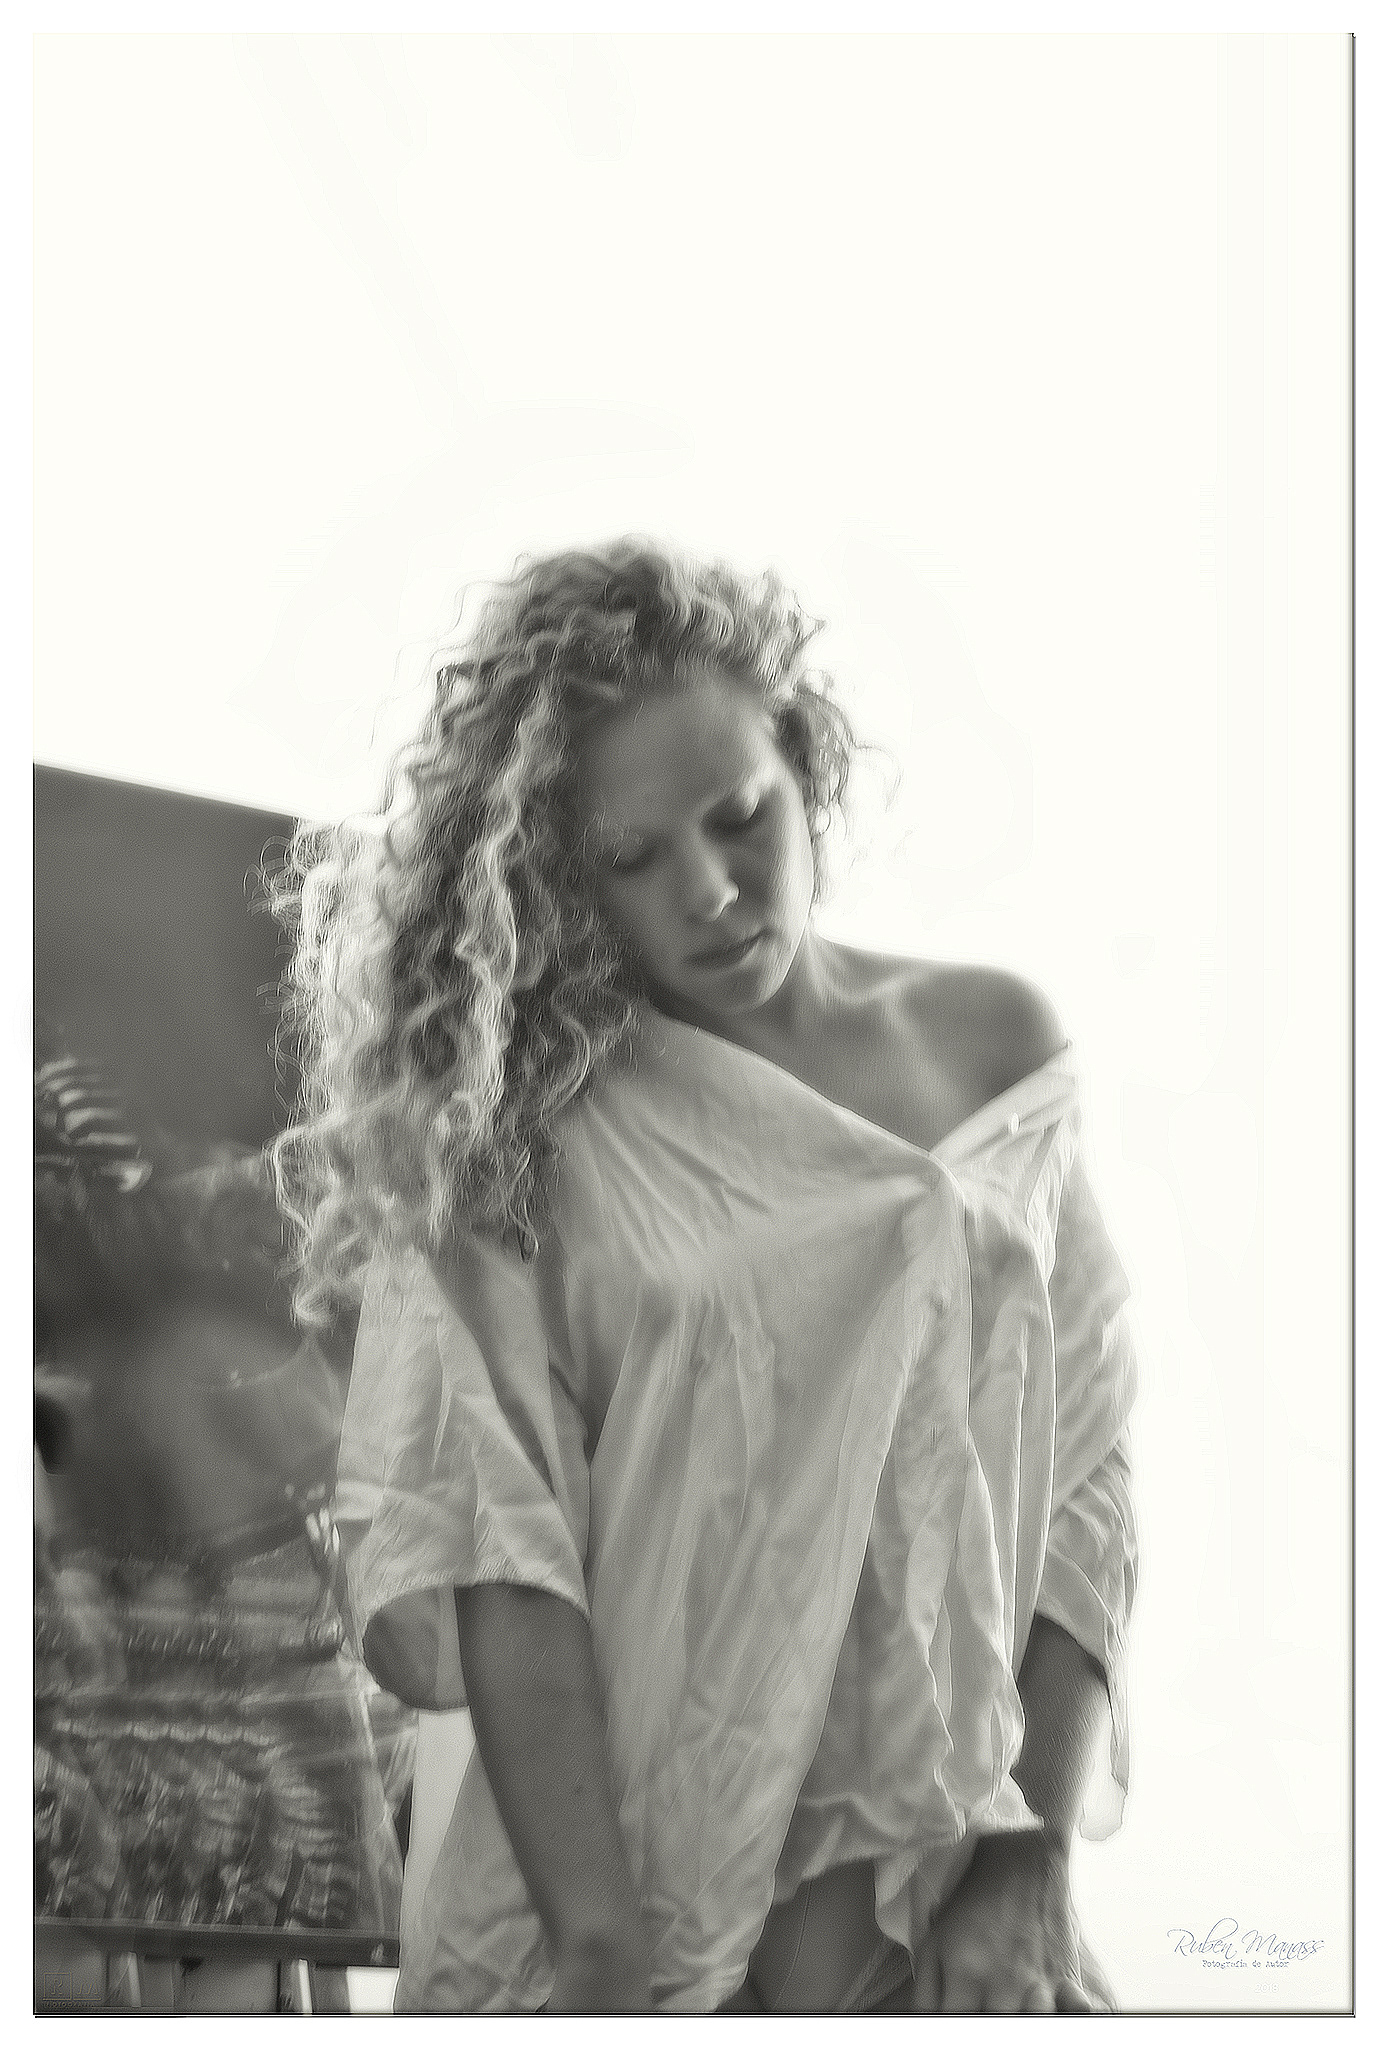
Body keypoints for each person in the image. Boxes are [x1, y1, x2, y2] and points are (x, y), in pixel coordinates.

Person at [270, 538, 1139, 2014]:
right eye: (634, 860)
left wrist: (1032, 1863)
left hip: (952, 1913)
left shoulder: (996, 1049)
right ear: (559, 875)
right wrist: (605, 1958)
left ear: (808, 767)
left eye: (743, 820)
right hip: (623, 1910)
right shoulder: (514, 1131)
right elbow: (504, 1552)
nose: (714, 892)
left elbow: (1089, 1480)